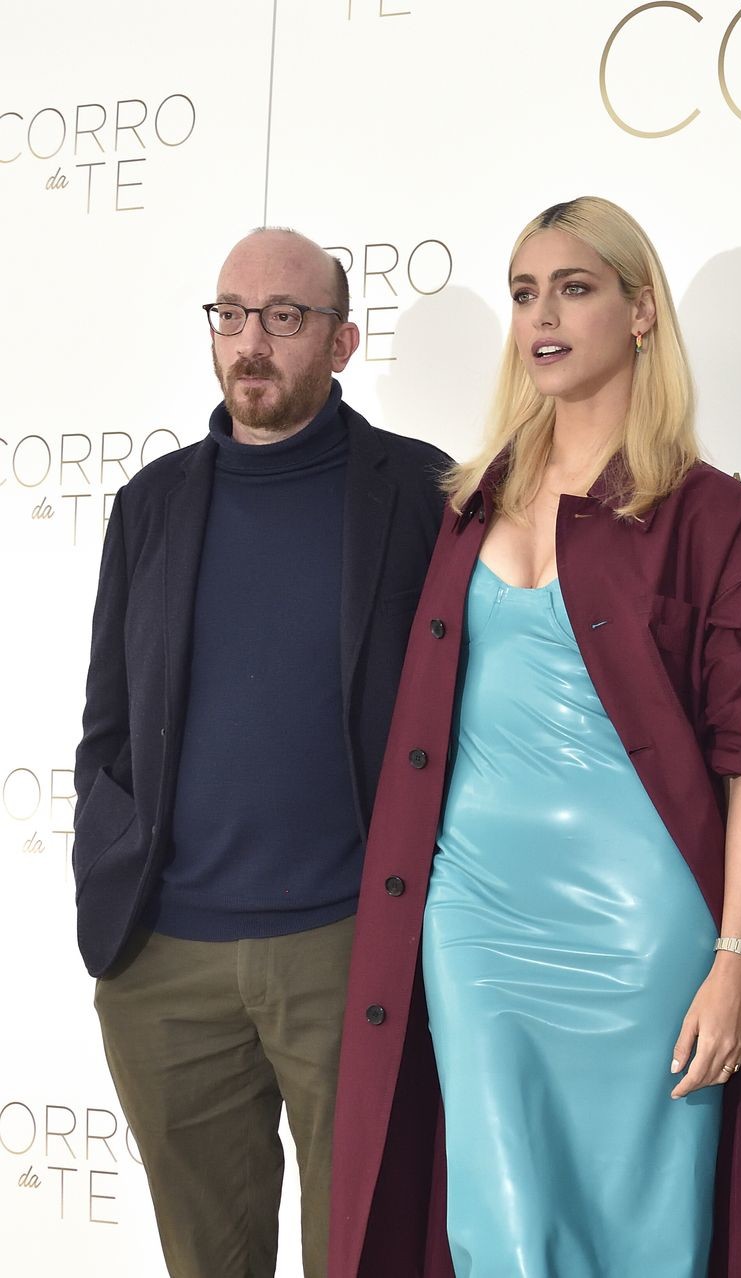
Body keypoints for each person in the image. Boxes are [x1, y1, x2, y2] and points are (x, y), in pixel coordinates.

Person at [326, 196, 741, 1278]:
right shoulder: (469, 503)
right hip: (473, 919)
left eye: (575, 288)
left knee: (644, 1241)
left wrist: (736, 958)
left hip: (641, 928)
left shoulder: (714, 515)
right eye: (526, 293)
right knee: (501, 1233)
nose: (543, 316)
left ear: (641, 311)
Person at [72, 228, 450, 1276]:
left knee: (363, 1253)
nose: (251, 342)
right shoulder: (150, 503)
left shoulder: (422, 492)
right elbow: (108, 719)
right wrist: (108, 862)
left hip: (348, 946)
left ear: (341, 342)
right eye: (231, 315)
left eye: (285, 318)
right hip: (166, 964)